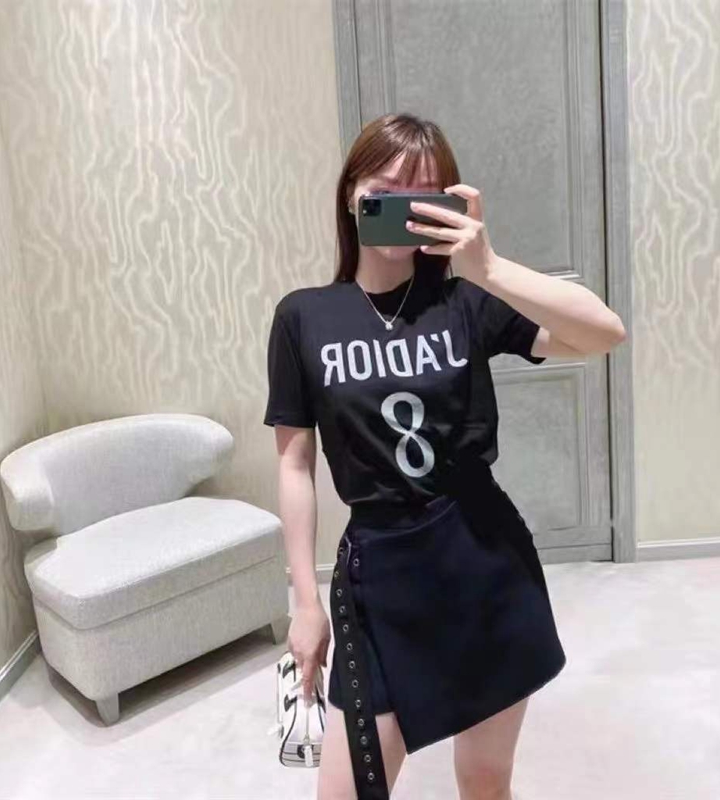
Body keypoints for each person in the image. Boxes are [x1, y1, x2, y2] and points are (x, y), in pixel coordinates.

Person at [264, 112, 626, 799]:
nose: (400, 207)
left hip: (483, 564)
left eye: (421, 194)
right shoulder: (303, 317)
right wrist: (305, 602)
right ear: (351, 193)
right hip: (379, 580)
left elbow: (603, 333)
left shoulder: (465, 304)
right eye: (384, 188)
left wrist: (488, 266)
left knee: (485, 780)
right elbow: (294, 465)